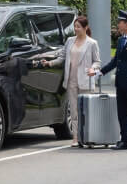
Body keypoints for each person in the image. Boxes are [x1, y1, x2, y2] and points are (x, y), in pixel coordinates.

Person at [88, 10, 127, 151]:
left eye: (120, 22)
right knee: (122, 113)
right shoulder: (121, 40)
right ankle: (124, 140)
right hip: (120, 83)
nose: (118, 24)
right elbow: (116, 61)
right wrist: (100, 72)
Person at [42, 16, 101, 147]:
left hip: (85, 80)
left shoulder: (92, 43)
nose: (76, 29)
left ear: (85, 28)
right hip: (71, 81)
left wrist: (93, 68)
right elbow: (62, 57)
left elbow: (97, 61)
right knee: (74, 110)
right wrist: (49, 63)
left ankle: (88, 137)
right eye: (75, 26)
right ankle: (76, 138)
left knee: (86, 111)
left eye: (78, 27)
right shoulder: (69, 41)